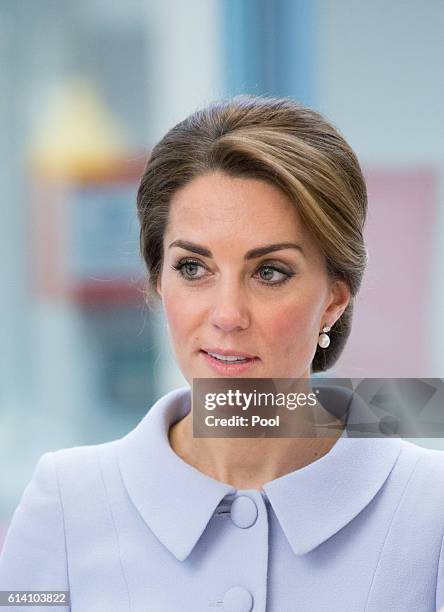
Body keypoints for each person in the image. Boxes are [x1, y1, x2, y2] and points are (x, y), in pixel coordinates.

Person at [1, 95, 443, 611]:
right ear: (158, 282)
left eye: (270, 272)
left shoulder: (431, 509)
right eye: (193, 268)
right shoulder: (65, 504)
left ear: (334, 300)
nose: (227, 314)